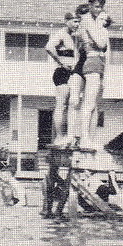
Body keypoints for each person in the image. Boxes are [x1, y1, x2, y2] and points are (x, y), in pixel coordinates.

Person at [77, 0, 111, 149]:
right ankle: (84, 138)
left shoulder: (93, 22)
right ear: (90, 6)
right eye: (96, 6)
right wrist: (100, 24)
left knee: (93, 104)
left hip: (98, 62)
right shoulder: (88, 21)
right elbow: (102, 42)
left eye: (101, 7)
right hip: (92, 61)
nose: (99, 10)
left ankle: (88, 138)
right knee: (88, 103)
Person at [45, 10, 83, 147]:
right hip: (62, 72)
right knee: (61, 105)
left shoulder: (75, 37)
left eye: (79, 21)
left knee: (73, 105)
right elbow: (49, 47)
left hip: (73, 73)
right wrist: (61, 62)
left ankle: (70, 136)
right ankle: (59, 137)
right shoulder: (61, 34)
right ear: (66, 21)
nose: (77, 24)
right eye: (74, 21)